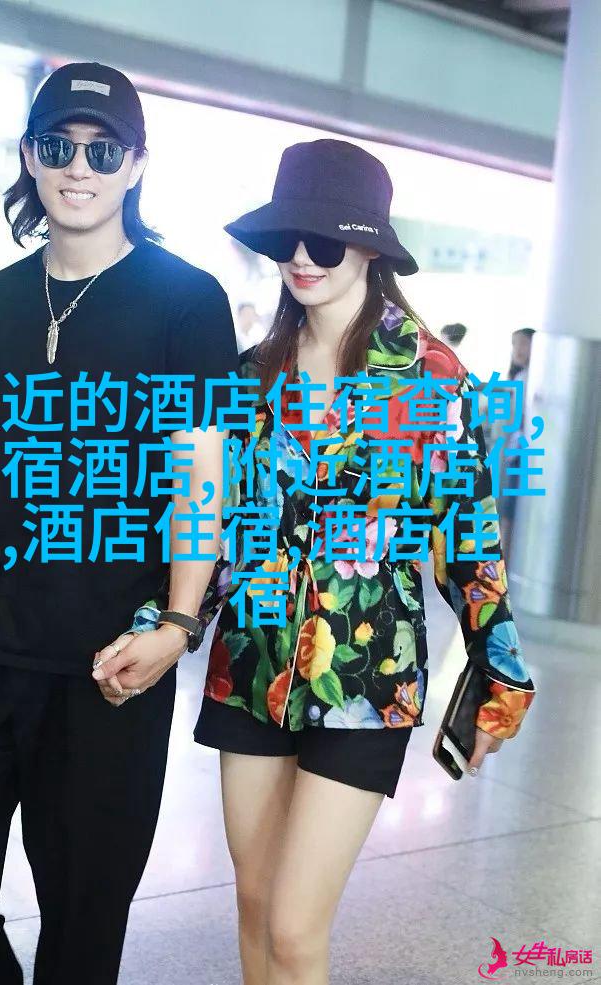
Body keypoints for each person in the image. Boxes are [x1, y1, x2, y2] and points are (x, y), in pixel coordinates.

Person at [173, 139, 537, 985]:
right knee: (254, 901)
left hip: (367, 683)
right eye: (286, 239)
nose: (301, 257)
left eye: (325, 241)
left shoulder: (430, 378)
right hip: (249, 663)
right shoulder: (249, 377)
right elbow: (220, 528)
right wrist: (168, 622)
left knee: (296, 926)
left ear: (370, 249)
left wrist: (500, 673)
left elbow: (468, 542)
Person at [0, 61, 238, 985]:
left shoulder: (187, 301)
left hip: (108, 658)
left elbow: (199, 476)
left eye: (104, 151)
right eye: (59, 146)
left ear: (136, 164)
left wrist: (177, 623)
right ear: (30, 155)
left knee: (85, 911)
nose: (79, 168)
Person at [496, 327, 536, 562]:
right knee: (510, 512)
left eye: (523, 343)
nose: (518, 350)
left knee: (511, 513)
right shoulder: (520, 378)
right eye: (515, 344)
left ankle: (506, 565)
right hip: (517, 454)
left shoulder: (529, 378)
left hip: (523, 455)